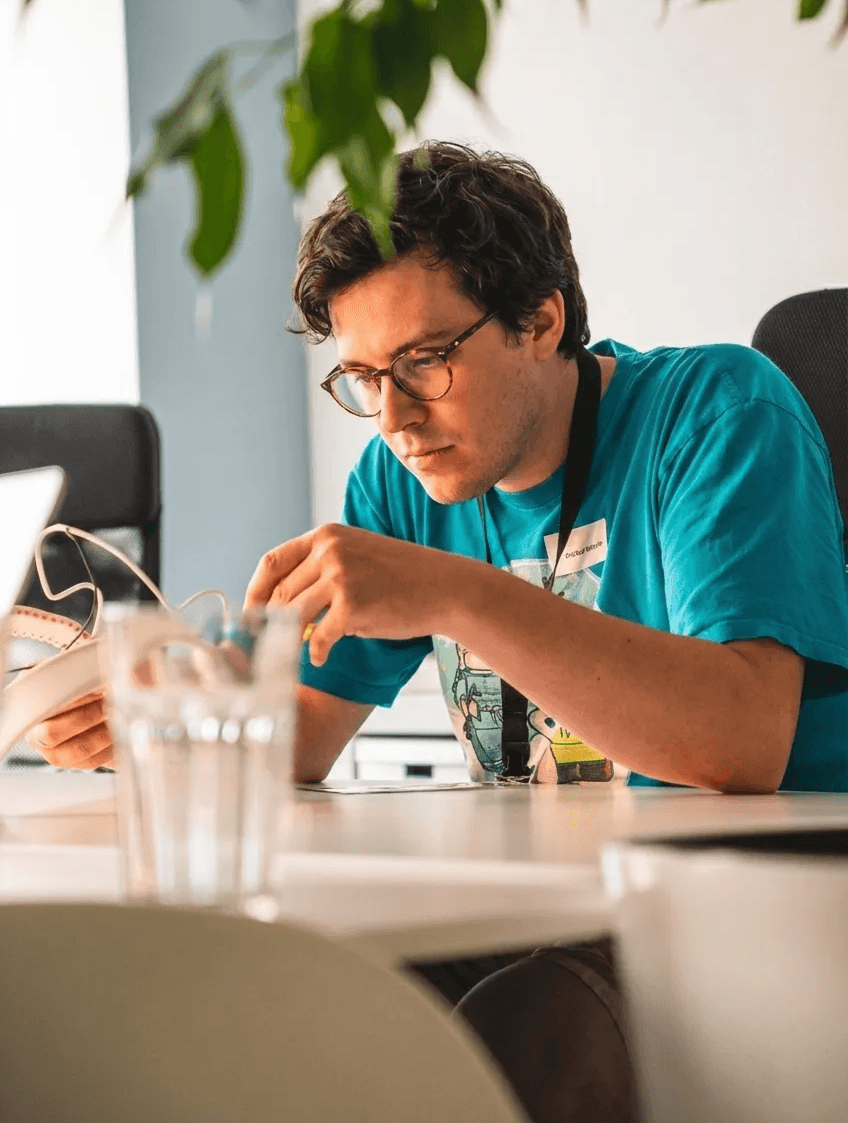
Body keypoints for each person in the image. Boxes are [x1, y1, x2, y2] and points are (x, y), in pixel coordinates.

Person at [31, 142, 848, 1122]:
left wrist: (454, 595)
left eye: (423, 361)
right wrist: (155, 717)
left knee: (518, 1038)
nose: (393, 418)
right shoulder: (400, 480)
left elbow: (739, 743)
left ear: (540, 319)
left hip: (747, 911)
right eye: (363, 376)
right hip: (537, 900)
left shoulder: (715, 409)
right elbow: (303, 731)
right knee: (272, 1010)